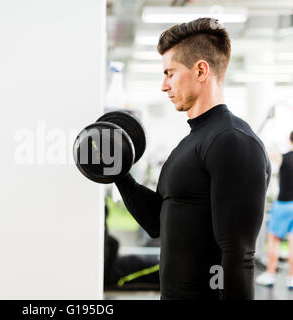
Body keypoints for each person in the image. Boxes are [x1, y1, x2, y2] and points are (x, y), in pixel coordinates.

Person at [114, 18, 271, 299]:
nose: (164, 85)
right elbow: (158, 223)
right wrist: (119, 175)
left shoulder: (231, 141)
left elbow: (238, 255)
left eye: (170, 73)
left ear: (200, 70)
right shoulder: (190, 143)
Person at [256, 131, 293, 289]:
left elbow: (262, 152)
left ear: (289, 139)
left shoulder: (283, 157)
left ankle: (270, 274)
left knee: (274, 240)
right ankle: (291, 278)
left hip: (284, 204)